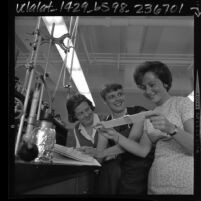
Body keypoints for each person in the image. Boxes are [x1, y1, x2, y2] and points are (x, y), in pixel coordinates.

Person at [99, 61, 194, 194]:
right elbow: (142, 150)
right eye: (143, 87)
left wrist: (172, 128)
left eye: (152, 84)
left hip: (184, 184)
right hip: (156, 184)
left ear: (165, 82)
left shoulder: (182, 103)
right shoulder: (150, 115)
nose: (148, 91)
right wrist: (115, 135)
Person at [81, 83, 155, 194]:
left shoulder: (139, 113)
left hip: (140, 169)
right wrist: (84, 156)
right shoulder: (105, 124)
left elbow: (132, 142)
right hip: (120, 172)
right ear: (105, 102)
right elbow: (99, 156)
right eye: (112, 97)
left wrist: (103, 153)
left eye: (119, 94)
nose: (117, 99)